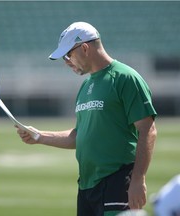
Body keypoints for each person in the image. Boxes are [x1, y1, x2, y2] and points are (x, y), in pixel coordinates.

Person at [17, 22, 157, 216]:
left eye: (68, 55)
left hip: (117, 181)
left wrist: (138, 179)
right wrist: (39, 136)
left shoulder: (125, 78)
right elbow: (79, 135)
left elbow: (148, 129)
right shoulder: (85, 86)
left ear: (84, 47)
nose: (66, 61)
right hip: (86, 186)